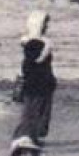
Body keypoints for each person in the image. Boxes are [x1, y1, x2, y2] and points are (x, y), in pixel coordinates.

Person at [13, 12, 57, 141]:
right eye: (44, 24)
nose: (46, 27)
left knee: (34, 111)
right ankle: (27, 137)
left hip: (38, 81)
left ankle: (29, 136)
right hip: (38, 81)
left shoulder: (29, 41)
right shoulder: (35, 43)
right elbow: (37, 61)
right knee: (34, 111)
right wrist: (47, 47)